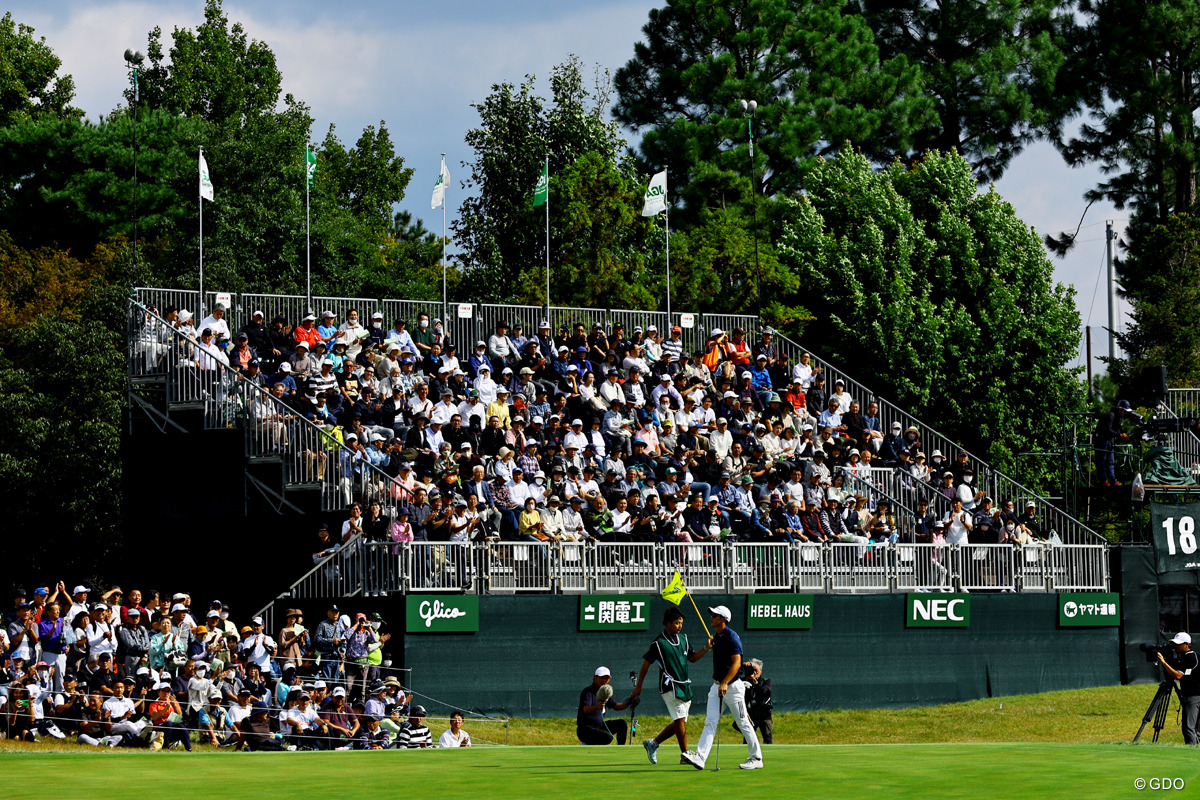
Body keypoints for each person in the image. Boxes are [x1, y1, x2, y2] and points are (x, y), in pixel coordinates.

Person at [631, 607, 712, 764]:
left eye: (681, 623)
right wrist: (639, 686)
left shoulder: (684, 639)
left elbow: (693, 658)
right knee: (680, 720)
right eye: (676, 623)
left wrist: (707, 648)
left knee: (679, 722)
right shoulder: (658, 643)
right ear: (667, 623)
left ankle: (653, 743)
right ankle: (686, 755)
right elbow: (646, 665)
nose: (680, 626)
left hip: (684, 686)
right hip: (669, 687)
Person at [687, 605, 762, 770]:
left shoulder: (732, 637)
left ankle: (756, 757)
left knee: (743, 722)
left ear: (724, 619)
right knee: (710, 722)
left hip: (733, 687)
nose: (711, 617)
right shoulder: (717, 637)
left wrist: (725, 682)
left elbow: (737, 663)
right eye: (712, 614)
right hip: (717, 687)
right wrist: (709, 646)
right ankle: (700, 758)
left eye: (715, 615)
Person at [1155, 631, 1200, 744]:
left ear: (1187, 644)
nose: (1176, 646)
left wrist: (1164, 663)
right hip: (1194, 695)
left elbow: (1178, 675)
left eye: (1178, 644)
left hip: (1193, 696)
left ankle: (1192, 752)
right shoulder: (1191, 656)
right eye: (1175, 644)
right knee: (1196, 728)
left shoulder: (1189, 657)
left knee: (1189, 727)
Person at [576, 666, 637, 745]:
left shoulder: (605, 692)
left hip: (599, 726)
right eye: (602, 677)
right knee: (607, 737)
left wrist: (630, 702)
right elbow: (585, 709)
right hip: (585, 729)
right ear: (595, 677)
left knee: (622, 724)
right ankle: (587, 743)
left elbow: (616, 706)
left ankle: (620, 750)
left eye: (607, 678)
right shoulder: (588, 692)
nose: (604, 680)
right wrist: (597, 706)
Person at [1093, 399, 1131, 487]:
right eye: (1125, 411)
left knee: (1111, 461)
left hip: (1108, 440)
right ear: (1120, 409)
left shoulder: (1118, 418)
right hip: (1101, 440)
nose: (1125, 414)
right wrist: (1120, 435)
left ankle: (1113, 480)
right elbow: (1108, 430)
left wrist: (1123, 436)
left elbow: (1117, 432)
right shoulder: (1110, 415)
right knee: (1101, 461)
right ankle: (1103, 481)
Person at [741, 658, 773, 744]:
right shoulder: (743, 681)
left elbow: (764, 692)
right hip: (751, 715)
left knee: (767, 739)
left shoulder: (766, 681)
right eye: (752, 670)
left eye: (756, 670)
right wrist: (741, 665)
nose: (754, 673)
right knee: (747, 739)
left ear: (760, 671)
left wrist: (755, 682)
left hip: (764, 714)